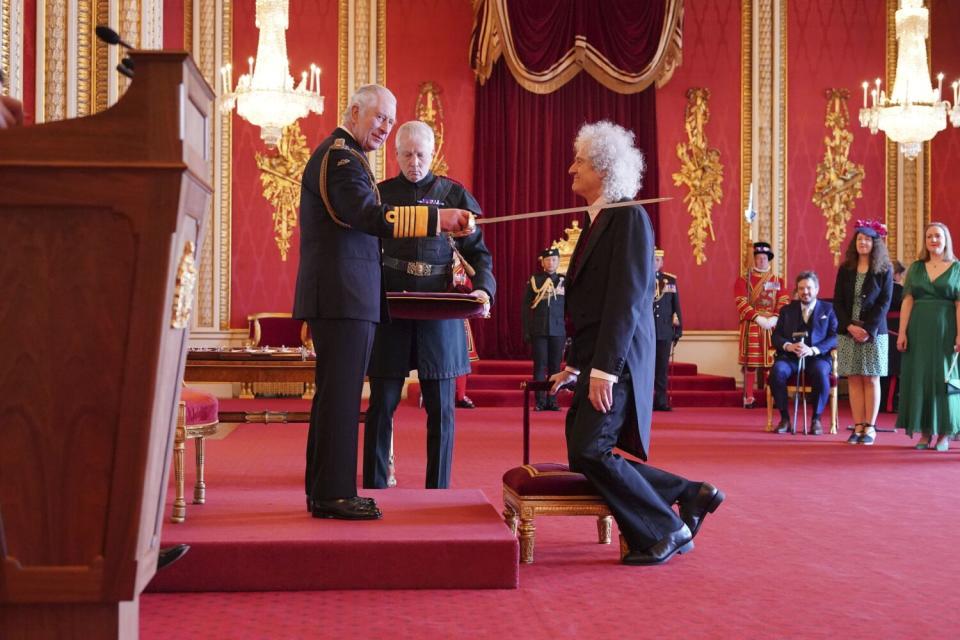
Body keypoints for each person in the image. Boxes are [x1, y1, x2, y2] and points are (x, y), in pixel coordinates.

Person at [548, 121, 723, 566]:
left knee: (591, 450)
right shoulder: (602, 219)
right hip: (598, 359)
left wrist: (603, 370)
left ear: (603, 170)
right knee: (583, 452)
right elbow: (591, 305)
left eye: (580, 162)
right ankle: (689, 494)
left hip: (618, 363)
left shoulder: (628, 217)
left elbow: (626, 300)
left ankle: (668, 528)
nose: (571, 169)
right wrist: (574, 365)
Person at [293, 86, 473, 520]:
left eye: (390, 122)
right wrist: (438, 219)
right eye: (379, 118)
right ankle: (335, 494)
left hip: (343, 294)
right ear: (354, 111)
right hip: (342, 296)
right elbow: (368, 216)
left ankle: (323, 490)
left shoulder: (346, 156)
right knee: (340, 397)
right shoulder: (342, 157)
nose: (385, 128)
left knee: (334, 396)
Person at [362, 120, 495, 490]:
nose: (414, 162)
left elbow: (480, 256)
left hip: (439, 311)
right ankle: (373, 489)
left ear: (433, 153)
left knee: (442, 411)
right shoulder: (379, 194)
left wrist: (484, 290)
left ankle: (438, 494)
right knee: (381, 406)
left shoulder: (454, 195)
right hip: (392, 308)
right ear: (395, 154)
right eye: (406, 154)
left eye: (421, 154)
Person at [895, 222, 960, 451]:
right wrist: (902, 332)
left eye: (938, 236)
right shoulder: (916, 268)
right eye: (929, 236)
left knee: (943, 380)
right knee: (920, 378)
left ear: (946, 240)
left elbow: (959, 303)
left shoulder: (956, 268)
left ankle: (944, 433)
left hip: (946, 328)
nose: (933, 240)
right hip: (918, 329)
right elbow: (908, 301)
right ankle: (925, 432)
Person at [833, 220, 893, 445]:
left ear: (875, 243)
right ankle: (858, 425)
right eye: (859, 239)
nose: (863, 243)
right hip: (848, 330)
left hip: (874, 332)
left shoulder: (883, 270)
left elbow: (885, 302)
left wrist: (867, 329)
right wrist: (849, 325)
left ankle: (870, 426)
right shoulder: (846, 268)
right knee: (855, 378)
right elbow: (837, 301)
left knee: (871, 378)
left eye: (867, 239)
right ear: (854, 243)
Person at [769, 271, 838, 435]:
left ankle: (816, 419)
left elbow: (836, 336)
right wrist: (788, 346)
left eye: (809, 288)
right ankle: (785, 418)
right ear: (797, 290)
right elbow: (776, 336)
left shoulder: (828, 309)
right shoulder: (787, 310)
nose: (805, 292)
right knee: (777, 372)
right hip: (790, 357)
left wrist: (813, 350)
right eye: (801, 288)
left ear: (817, 289)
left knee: (821, 373)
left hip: (817, 357)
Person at [735, 242, 790, 408]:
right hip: (752, 324)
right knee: (751, 363)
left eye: (764, 258)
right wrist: (758, 318)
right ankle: (749, 397)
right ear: (754, 260)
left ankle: (771, 395)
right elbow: (740, 302)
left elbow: (783, 300)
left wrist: (774, 318)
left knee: (771, 363)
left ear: (769, 260)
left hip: (773, 326)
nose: (761, 261)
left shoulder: (777, 280)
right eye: (758, 258)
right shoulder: (743, 280)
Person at [523, 247, 566, 411]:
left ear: (558, 261)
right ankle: (540, 401)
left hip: (558, 330)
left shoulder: (564, 281)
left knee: (556, 367)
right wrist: (527, 330)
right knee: (540, 367)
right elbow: (526, 307)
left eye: (554, 259)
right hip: (539, 329)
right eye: (548, 260)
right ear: (542, 263)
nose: (551, 262)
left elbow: (570, 308)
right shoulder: (535, 280)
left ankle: (553, 400)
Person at [652, 247, 682, 411]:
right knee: (646, 368)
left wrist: (678, 329)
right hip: (647, 332)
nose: (655, 263)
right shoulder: (642, 278)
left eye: (657, 260)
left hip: (664, 330)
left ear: (662, 262)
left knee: (661, 369)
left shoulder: (670, 281)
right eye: (652, 259)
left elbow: (675, 306)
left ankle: (661, 401)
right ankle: (645, 401)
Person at [880, 260, 906, 412]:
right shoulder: (901, 290)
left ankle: (882, 403)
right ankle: (889, 405)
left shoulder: (879, 289)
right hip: (896, 330)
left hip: (882, 329)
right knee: (894, 371)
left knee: (883, 370)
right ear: (896, 274)